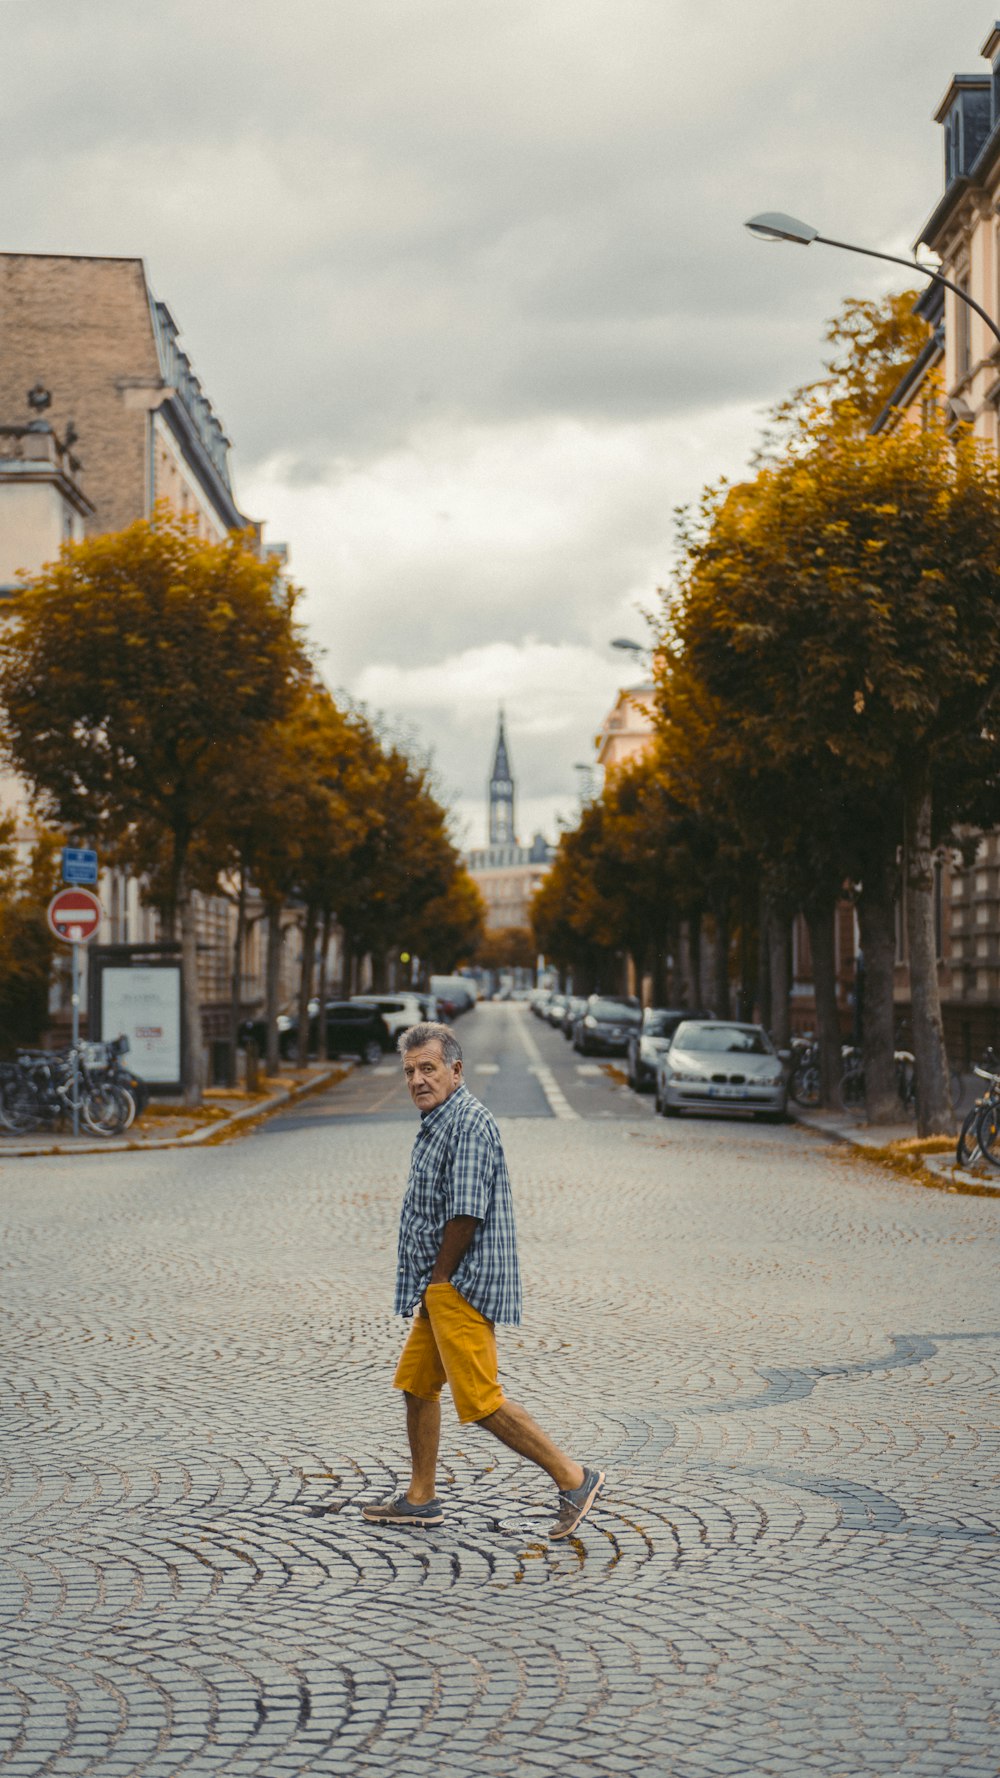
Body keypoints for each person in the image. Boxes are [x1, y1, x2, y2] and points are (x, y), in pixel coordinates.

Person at [362, 1021, 604, 1539]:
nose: (418, 1080)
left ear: (455, 1070)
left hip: (459, 1283)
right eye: (409, 1071)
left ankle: (574, 1478)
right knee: (417, 1384)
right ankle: (421, 1497)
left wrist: (442, 1280)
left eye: (428, 1068)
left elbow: (465, 1213)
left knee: (482, 1401)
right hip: (438, 1284)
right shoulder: (439, 1120)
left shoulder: (467, 1122)